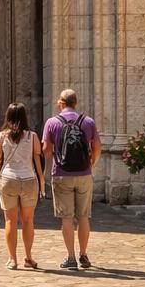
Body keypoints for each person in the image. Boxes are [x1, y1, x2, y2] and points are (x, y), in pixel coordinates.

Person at [42, 89, 102, 270]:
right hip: (84, 174)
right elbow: (97, 146)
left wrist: (54, 157)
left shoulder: (52, 123)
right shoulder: (88, 122)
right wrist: (92, 163)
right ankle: (83, 255)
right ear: (75, 103)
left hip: (61, 174)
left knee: (66, 218)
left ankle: (71, 257)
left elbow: (46, 149)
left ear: (61, 103)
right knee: (84, 216)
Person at [0, 102, 44, 270]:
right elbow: (37, 160)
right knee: (28, 221)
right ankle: (28, 257)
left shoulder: (1, 136)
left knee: (10, 221)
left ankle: (12, 259)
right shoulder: (32, 136)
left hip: (8, 179)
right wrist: (41, 181)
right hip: (29, 179)